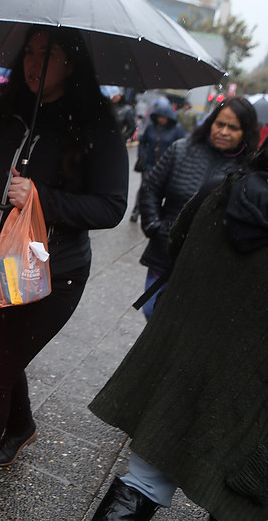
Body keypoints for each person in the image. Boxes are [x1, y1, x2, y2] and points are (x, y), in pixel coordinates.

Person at [0, 26, 128, 521]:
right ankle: (21, 426)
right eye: (30, 53)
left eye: (48, 54)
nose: (35, 64)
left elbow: (112, 206)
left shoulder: (95, 126)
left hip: (51, 276)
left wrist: (41, 198)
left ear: (72, 64)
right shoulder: (5, 111)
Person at [89, 143, 268, 521]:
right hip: (252, 394)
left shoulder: (222, 191)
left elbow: (176, 244)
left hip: (181, 368)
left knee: (144, 480)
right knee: (237, 506)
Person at [135, 96, 258, 319]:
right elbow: (151, 189)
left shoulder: (250, 171)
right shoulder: (180, 150)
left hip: (209, 266)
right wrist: (154, 225)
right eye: (220, 124)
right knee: (152, 311)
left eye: (233, 127)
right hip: (164, 253)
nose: (224, 131)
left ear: (245, 132)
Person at [129, 102, 185, 222]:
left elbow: (181, 147)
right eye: (159, 117)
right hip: (148, 163)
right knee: (145, 187)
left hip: (165, 167)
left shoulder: (176, 130)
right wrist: (141, 154)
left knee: (160, 190)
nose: (161, 120)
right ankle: (137, 210)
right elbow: (143, 141)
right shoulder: (151, 127)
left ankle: (153, 214)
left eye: (164, 117)